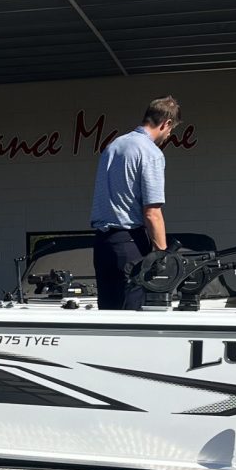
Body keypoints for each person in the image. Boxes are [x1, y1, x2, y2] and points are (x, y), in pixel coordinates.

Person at [89, 97, 180, 311]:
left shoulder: (113, 146)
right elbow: (152, 212)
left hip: (103, 243)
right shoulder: (150, 153)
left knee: (108, 316)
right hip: (129, 242)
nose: (168, 136)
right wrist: (162, 255)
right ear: (166, 123)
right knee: (132, 317)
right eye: (170, 131)